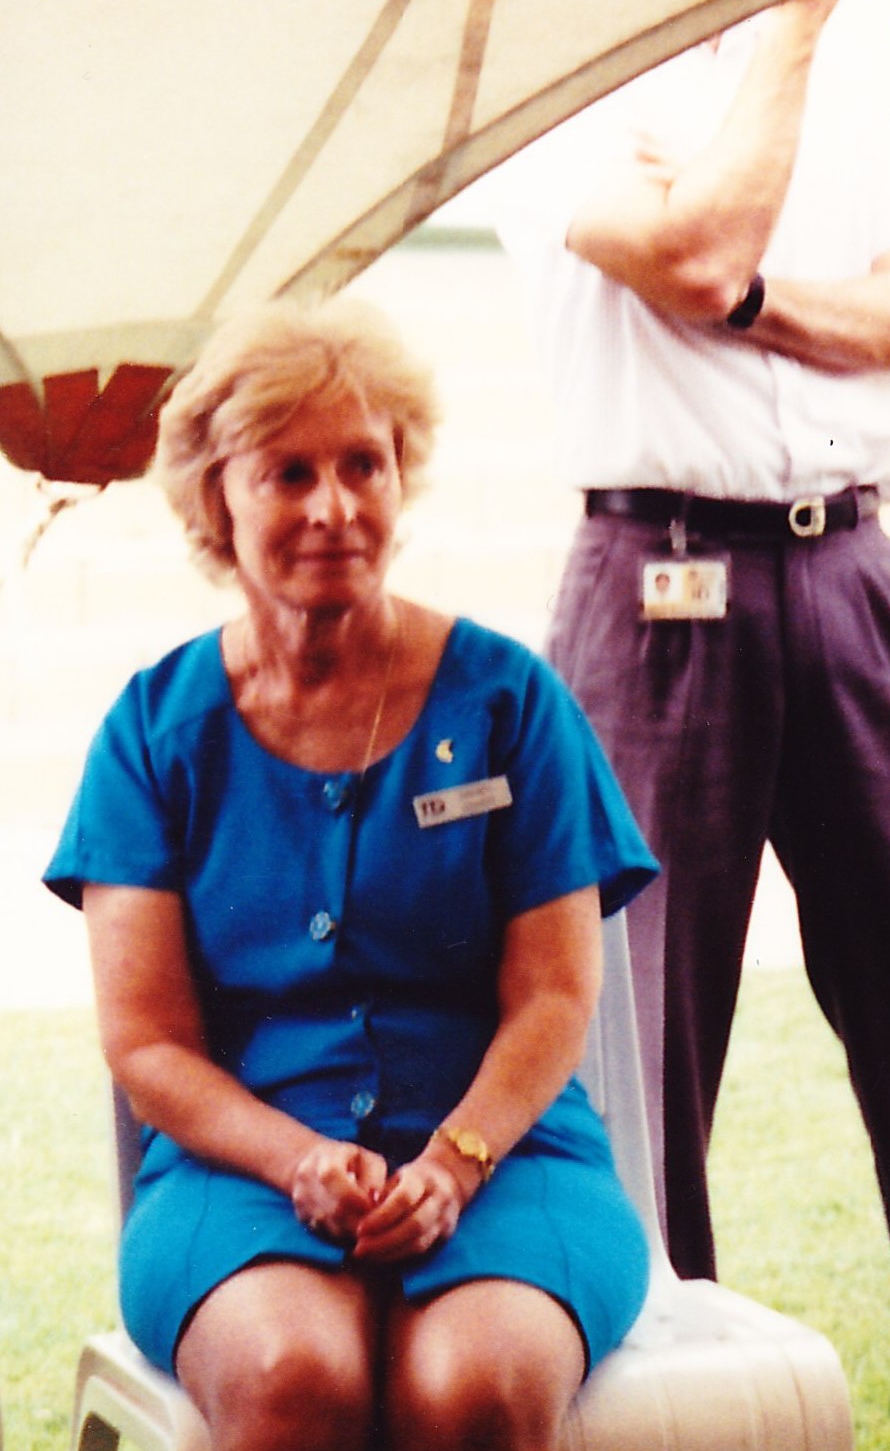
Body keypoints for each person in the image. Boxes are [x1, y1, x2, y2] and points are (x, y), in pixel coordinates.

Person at [491, 0, 890, 1437]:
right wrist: (795, 30)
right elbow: (691, 251)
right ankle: (661, 1410)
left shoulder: (850, 69)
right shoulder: (567, 71)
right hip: (660, 573)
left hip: (850, 569)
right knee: (633, 1038)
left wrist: (760, 301)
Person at [45, 298, 658, 1451]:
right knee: (293, 1375)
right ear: (217, 499)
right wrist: (297, 1158)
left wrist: (456, 1161)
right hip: (242, 1170)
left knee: (476, 1384)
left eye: (362, 464)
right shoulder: (150, 731)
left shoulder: (511, 701)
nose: (333, 505)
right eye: (289, 473)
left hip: (506, 1151)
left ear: (400, 474)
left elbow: (553, 995)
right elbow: (149, 1042)